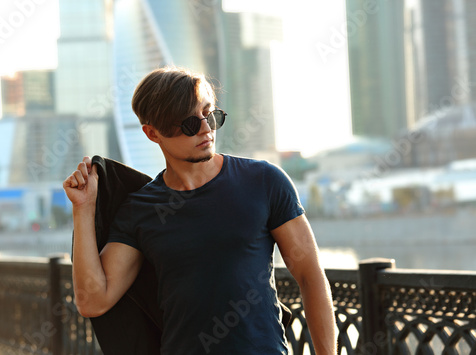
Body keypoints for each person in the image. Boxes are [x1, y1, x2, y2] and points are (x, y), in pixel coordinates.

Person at [63, 66, 336, 354]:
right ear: (152, 133)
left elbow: (310, 276)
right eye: (190, 124)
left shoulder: (264, 181)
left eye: (210, 115)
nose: (205, 128)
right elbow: (93, 301)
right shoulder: (140, 210)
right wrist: (83, 209)